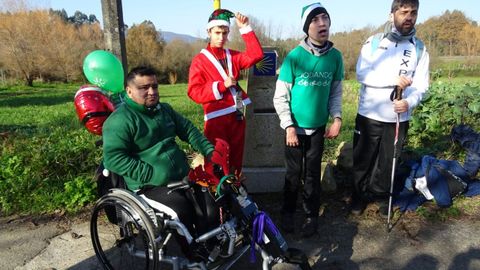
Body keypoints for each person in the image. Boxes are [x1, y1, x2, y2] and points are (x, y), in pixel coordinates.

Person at [102, 66, 218, 257]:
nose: (152, 92)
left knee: (210, 204)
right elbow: (113, 159)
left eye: (155, 86)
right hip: (149, 185)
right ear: (129, 91)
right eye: (144, 87)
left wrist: (209, 151)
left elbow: (188, 130)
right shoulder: (120, 120)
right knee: (182, 210)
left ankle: (211, 247)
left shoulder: (164, 110)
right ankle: (194, 255)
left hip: (182, 177)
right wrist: (151, 174)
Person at [351, 0, 430, 216]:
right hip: (369, 114)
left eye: (413, 13)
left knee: (389, 161)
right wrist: (392, 79)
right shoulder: (374, 42)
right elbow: (361, 73)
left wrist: (408, 102)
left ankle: (383, 197)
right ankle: (358, 196)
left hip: (398, 117)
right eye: (404, 12)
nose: (409, 17)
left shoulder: (419, 48)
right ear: (392, 14)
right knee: (362, 159)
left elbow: (421, 85)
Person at [273, 2, 344, 237]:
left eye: (325, 18)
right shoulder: (294, 57)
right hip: (294, 129)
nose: (322, 23)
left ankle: (311, 216)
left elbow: (335, 92)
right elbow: (280, 96)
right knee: (293, 174)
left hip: (318, 129)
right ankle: (288, 213)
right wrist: (289, 127)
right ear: (307, 27)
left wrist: (337, 118)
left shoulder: (335, 57)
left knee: (313, 174)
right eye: (315, 20)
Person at [187, 9, 263, 176]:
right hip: (216, 120)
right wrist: (221, 85)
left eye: (225, 32)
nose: (221, 37)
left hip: (236, 116)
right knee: (216, 163)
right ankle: (216, 199)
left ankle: (236, 196)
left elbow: (256, 55)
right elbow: (193, 92)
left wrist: (245, 28)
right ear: (209, 31)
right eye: (217, 33)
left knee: (236, 162)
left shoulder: (232, 56)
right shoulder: (199, 61)